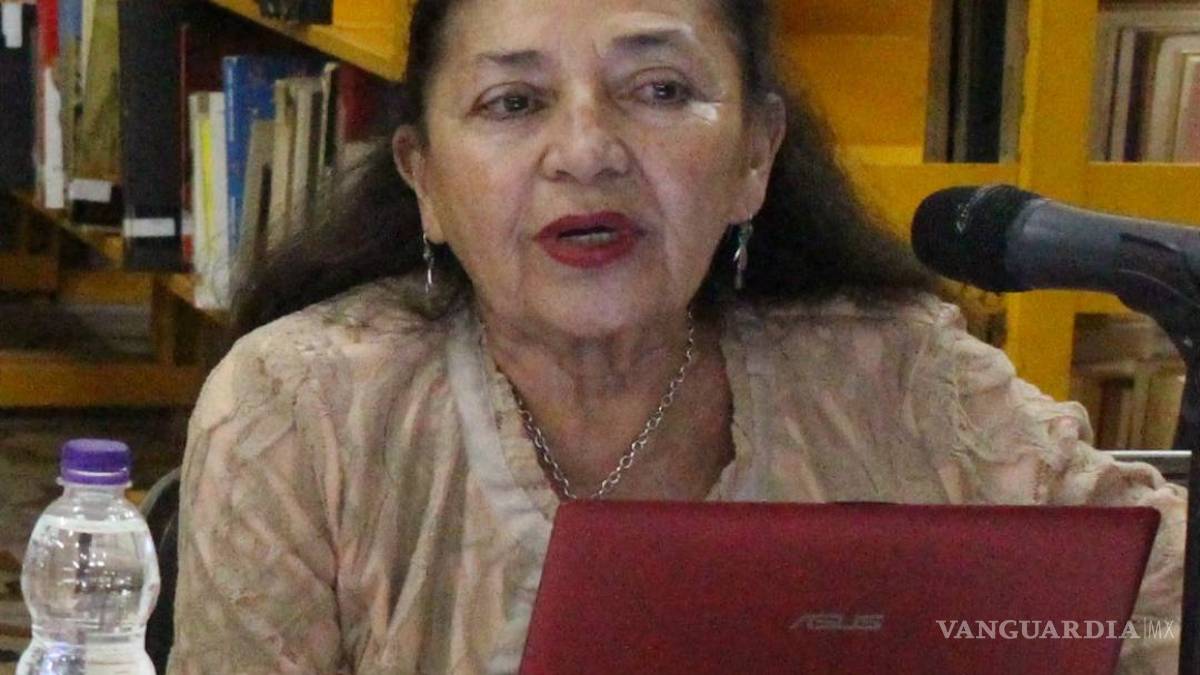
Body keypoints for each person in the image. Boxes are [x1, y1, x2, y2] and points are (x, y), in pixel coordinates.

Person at [166, 0, 1186, 672]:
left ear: (755, 157)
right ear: (423, 177)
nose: (587, 151)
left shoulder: (900, 379)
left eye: (659, 90)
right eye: (514, 101)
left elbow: (1159, 606)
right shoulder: (301, 411)